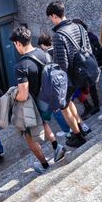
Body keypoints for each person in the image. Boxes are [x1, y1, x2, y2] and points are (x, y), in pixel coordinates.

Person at [11, 26, 66, 173]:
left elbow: (23, 95)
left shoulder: (21, 66)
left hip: (34, 106)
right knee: (44, 122)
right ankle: (56, 147)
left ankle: (44, 166)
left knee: (29, 137)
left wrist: (12, 95)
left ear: (17, 43)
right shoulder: (44, 53)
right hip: (49, 99)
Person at [46, 1, 91, 148]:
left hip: (70, 77)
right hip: (83, 72)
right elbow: (87, 48)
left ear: (54, 16)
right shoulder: (78, 26)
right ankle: (81, 127)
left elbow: (62, 64)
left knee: (64, 106)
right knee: (70, 101)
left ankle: (77, 136)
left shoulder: (58, 36)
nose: (51, 20)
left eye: (50, 17)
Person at [37, 33, 71, 137]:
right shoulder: (57, 50)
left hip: (54, 85)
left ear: (43, 44)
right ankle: (73, 127)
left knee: (57, 111)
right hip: (64, 81)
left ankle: (67, 131)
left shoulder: (46, 55)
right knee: (66, 107)